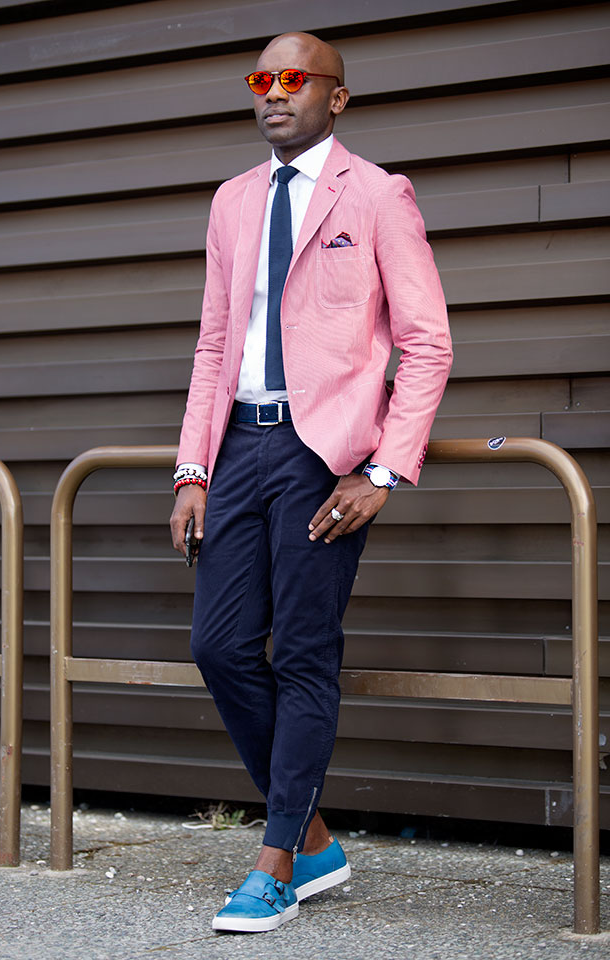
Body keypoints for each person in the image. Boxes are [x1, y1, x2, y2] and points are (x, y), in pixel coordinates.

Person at [170, 31, 452, 933]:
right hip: (238, 446)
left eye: (294, 78)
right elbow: (215, 342)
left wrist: (385, 470)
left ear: (337, 97)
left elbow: (428, 343)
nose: (274, 92)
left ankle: (276, 865)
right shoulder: (232, 200)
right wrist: (191, 468)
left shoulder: (376, 195)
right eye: (263, 78)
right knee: (218, 647)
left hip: (320, 454)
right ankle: (315, 837)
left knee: (301, 653)